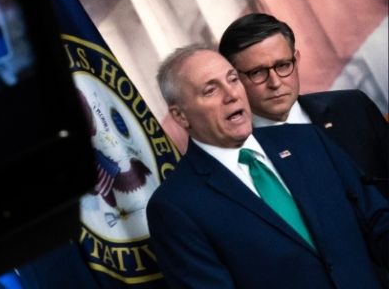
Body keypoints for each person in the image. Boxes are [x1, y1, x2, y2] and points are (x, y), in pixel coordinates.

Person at [147, 47, 389, 289]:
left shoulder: (308, 141)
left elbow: (379, 222)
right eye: (210, 90)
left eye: (233, 79)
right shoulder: (174, 207)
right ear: (180, 116)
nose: (231, 94)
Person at [219, 12, 388, 198]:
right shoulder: (240, 156)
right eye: (257, 72)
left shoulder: (352, 107)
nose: (275, 82)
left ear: (296, 60)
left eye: (283, 65)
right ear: (233, 80)